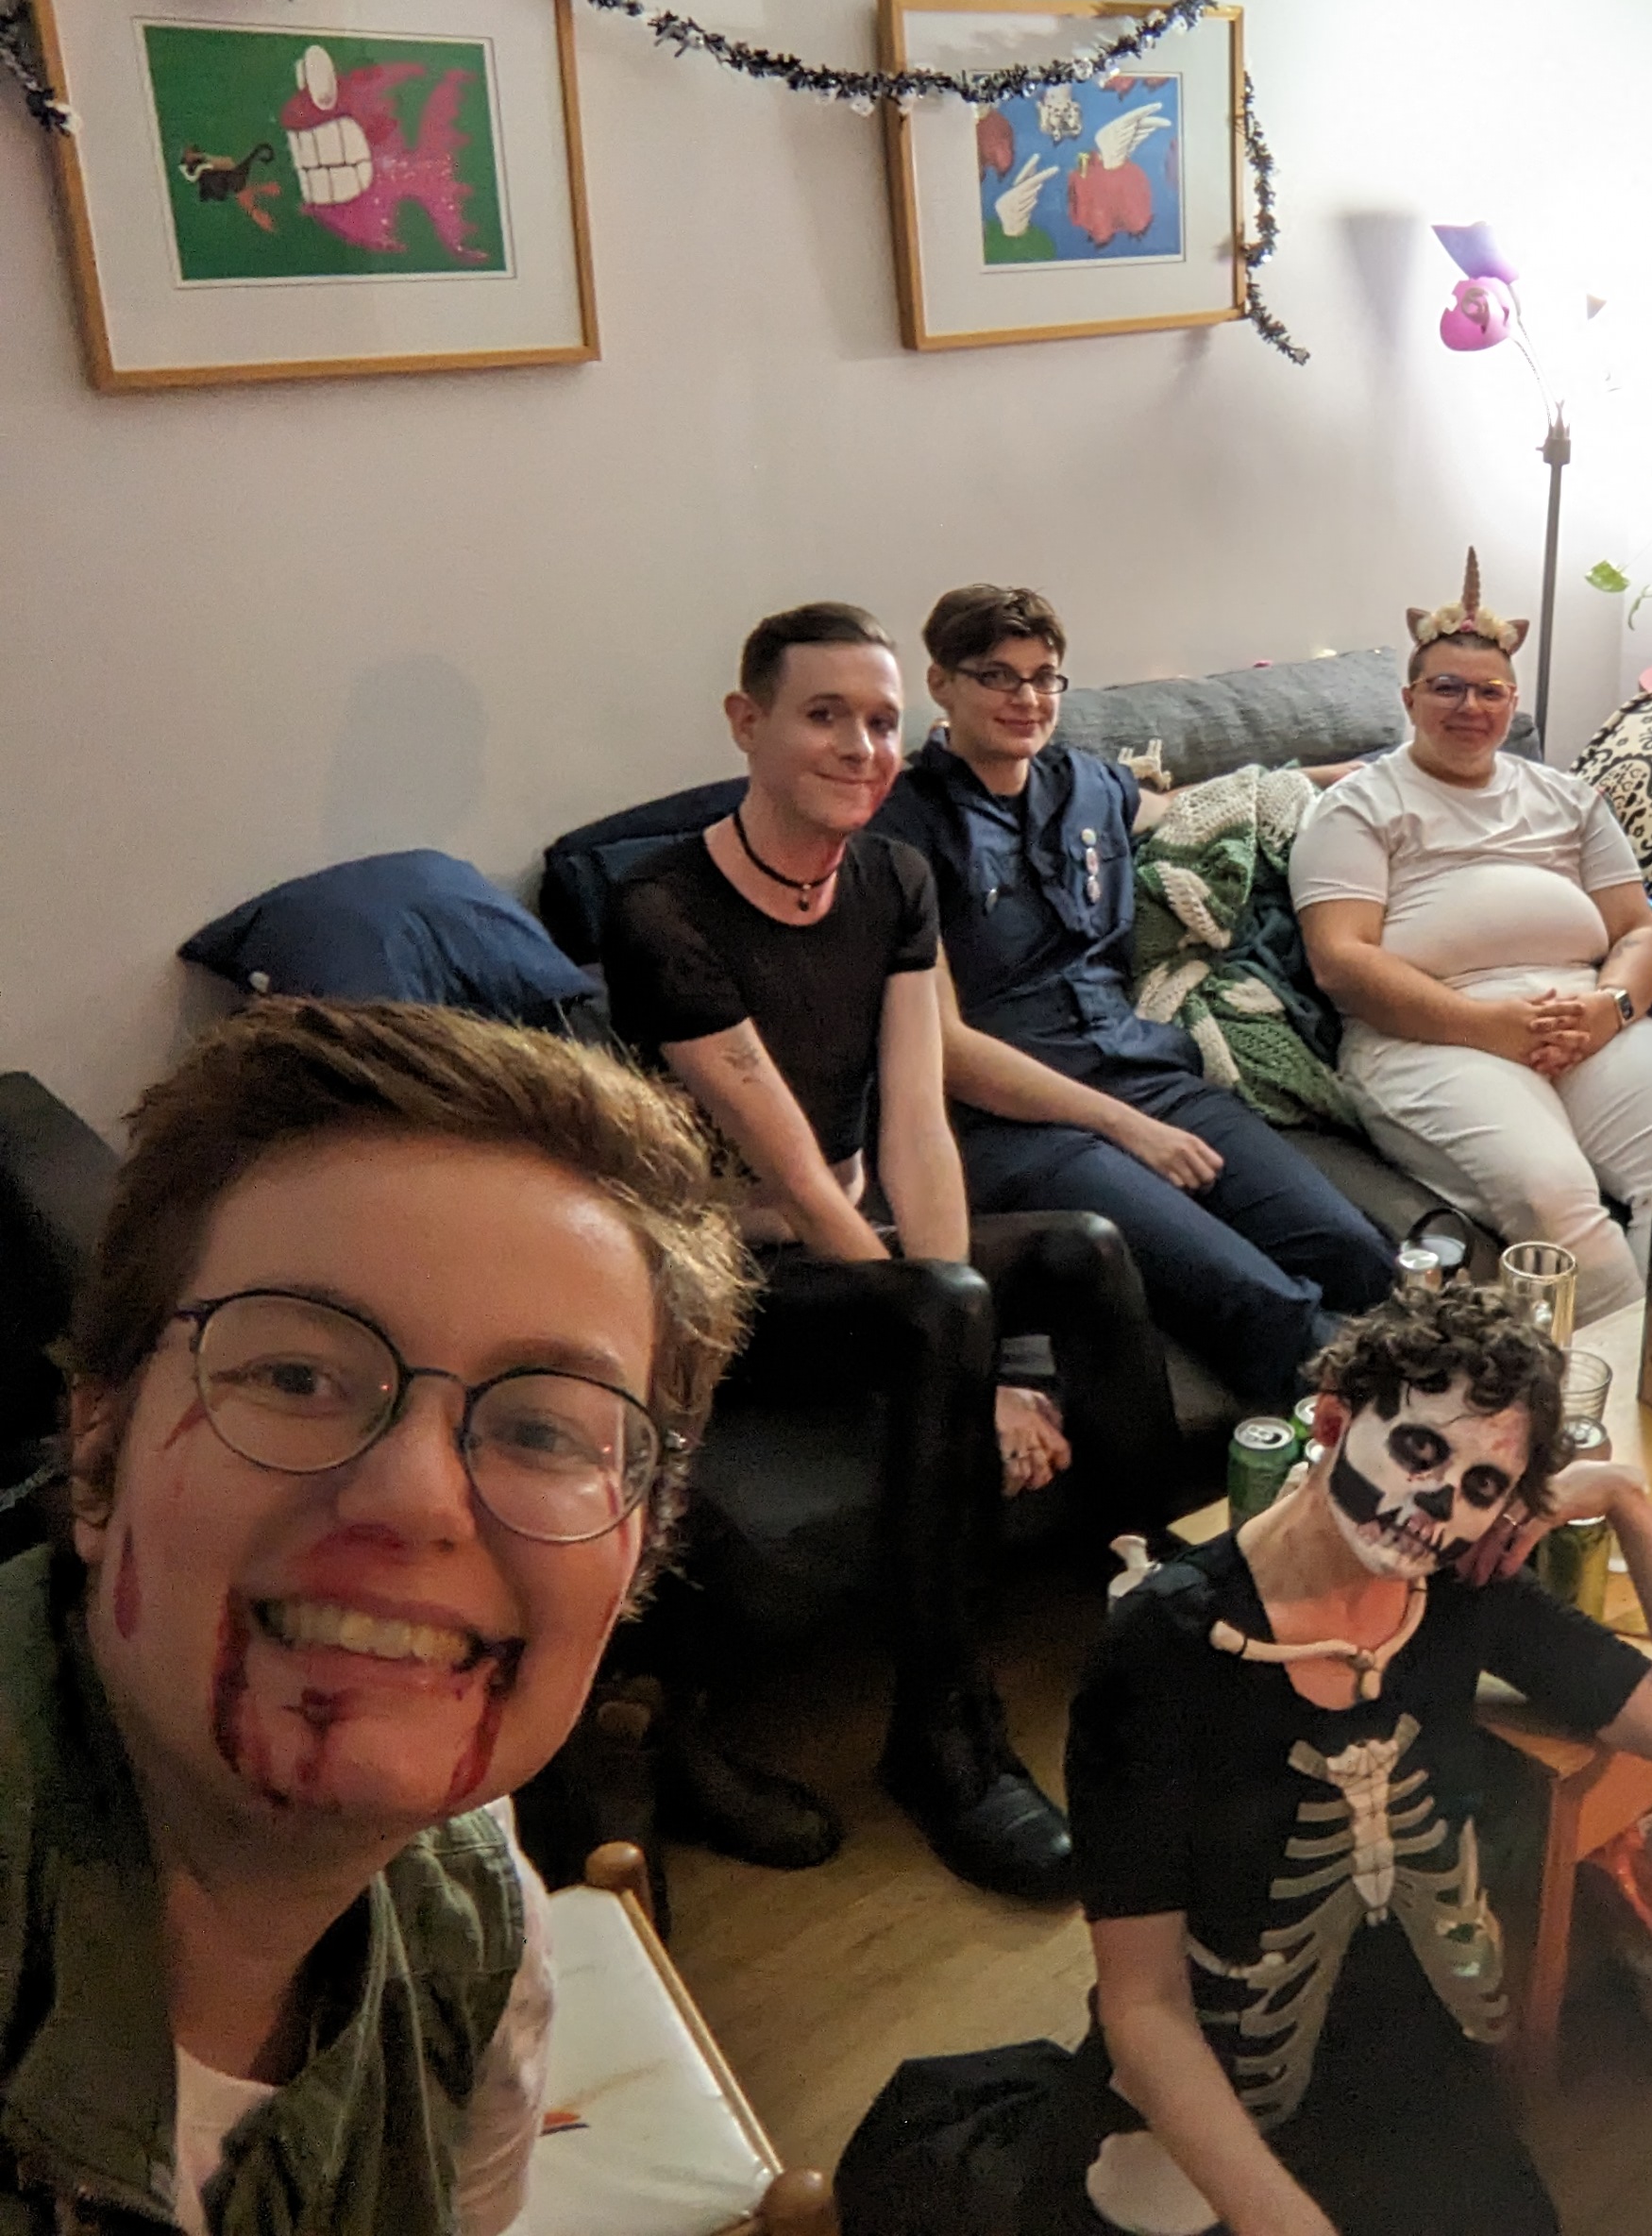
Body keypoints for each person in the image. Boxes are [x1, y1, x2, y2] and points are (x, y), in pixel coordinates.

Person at [25, 996, 751, 2234]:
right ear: (99, 1450)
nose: (416, 1499)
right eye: (296, 1376)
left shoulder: (480, 1944)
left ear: (637, 1556)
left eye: (540, 1428)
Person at [1035, 1283, 1652, 2236]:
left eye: (1481, 1487)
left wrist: (1624, 1499)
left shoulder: (1461, 1592)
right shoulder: (1164, 1646)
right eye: (1420, 1449)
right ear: (1335, 1421)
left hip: (1403, 2044)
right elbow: (1142, 2005)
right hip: (1202, 2056)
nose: (1434, 1505)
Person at [601, 600, 1079, 1897]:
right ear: (746, 724)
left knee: (1082, 1252)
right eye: (826, 717)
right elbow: (796, 1178)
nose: (864, 747)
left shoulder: (893, 877)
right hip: (719, 1274)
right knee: (938, 1316)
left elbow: (917, 1126)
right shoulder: (657, 909)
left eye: (879, 721)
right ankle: (942, 1738)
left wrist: (974, 1316)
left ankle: (1154, 1610)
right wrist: (972, 1357)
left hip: (852, 1234)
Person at [870, 583, 1400, 1412]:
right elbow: (946, 1049)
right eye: (998, 677)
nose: (1028, 699)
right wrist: (1124, 1128)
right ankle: (1380, 1456)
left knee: (1355, 1249)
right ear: (939, 683)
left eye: (1045, 677)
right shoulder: (900, 831)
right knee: (1260, 1303)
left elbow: (1201, 802)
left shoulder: (1086, 785)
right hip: (1023, 1126)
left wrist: (1358, 777)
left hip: (1150, 1074)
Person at [1294, 552, 1652, 1324]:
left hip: (1580, 1017)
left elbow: (1636, 929)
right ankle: (1608, 1401)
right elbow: (1341, 961)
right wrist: (1486, 1027)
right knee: (1551, 1194)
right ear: (1409, 699)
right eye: (1446, 687)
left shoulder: (1568, 798)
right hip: (1432, 1035)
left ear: (1513, 704)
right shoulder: (1359, 807)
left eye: (1490, 691)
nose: (1470, 705)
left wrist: (1612, 1009)